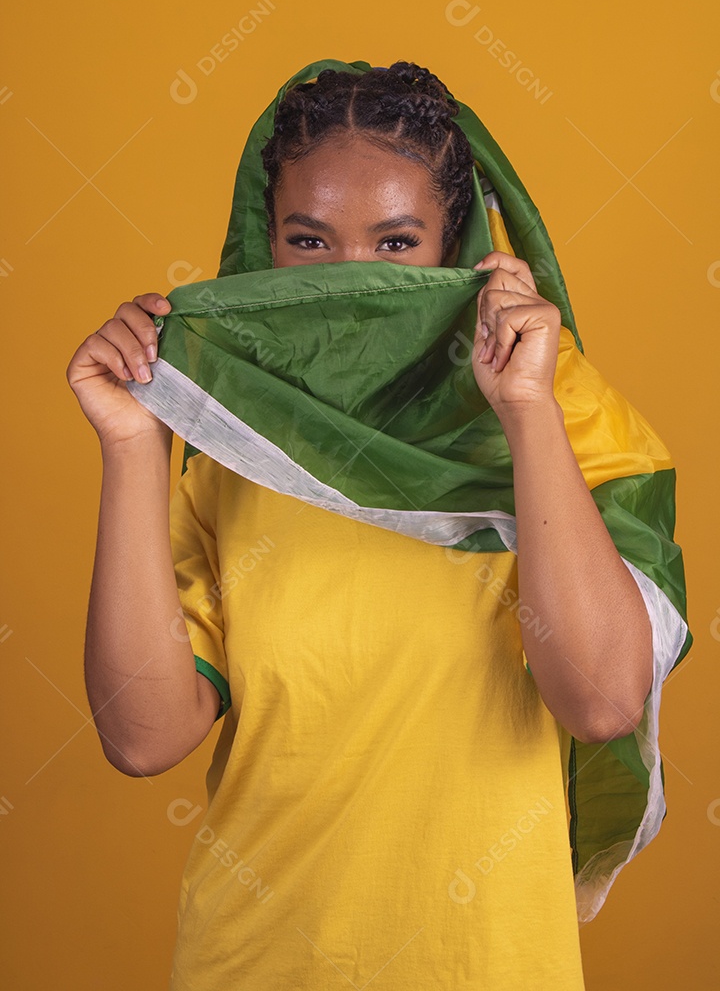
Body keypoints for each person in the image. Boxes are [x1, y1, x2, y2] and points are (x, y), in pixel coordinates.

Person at [66, 59, 690, 989]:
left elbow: (600, 699)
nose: (350, 285)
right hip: (252, 961)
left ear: (459, 246)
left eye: (396, 244)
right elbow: (143, 737)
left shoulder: (576, 429)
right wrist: (133, 449)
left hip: (488, 967)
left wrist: (525, 412)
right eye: (309, 243)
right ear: (263, 246)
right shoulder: (241, 453)